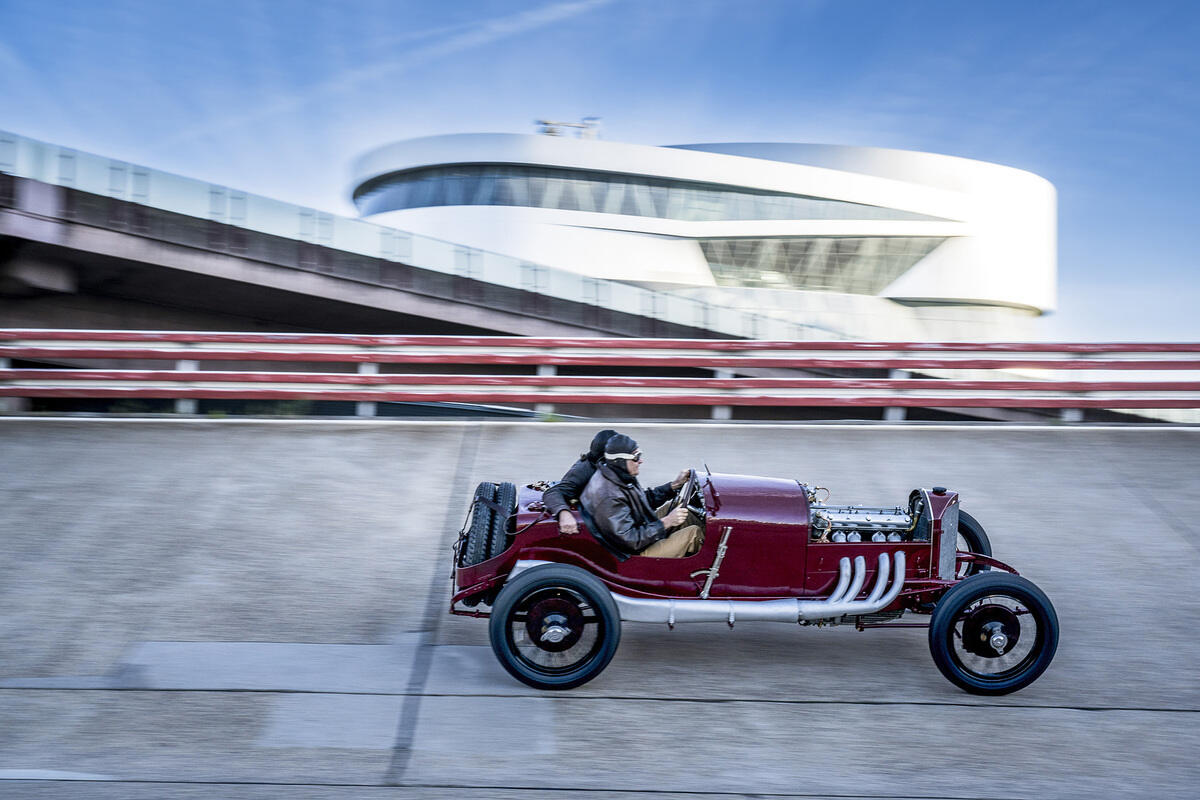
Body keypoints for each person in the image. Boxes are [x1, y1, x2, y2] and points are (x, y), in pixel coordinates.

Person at [580, 433, 703, 559]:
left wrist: (673, 486)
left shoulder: (618, 475)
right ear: (620, 461)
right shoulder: (609, 496)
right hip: (631, 554)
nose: (640, 460)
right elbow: (630, 540)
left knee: (685, 513)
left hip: (637, 530)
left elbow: (641, 500)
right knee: (694, 533)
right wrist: (666, 522)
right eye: (636, 457)